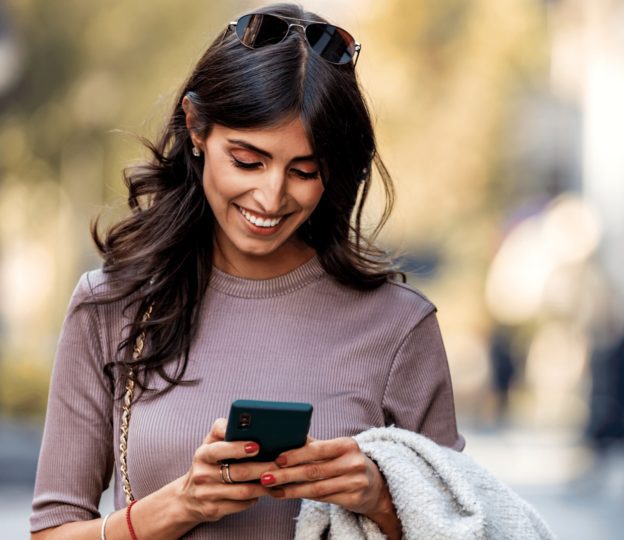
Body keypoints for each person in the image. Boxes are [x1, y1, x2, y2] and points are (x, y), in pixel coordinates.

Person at [29, 4, 463, 539]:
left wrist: (380, 499)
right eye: (247, 160)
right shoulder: (111, 306)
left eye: (305, 171)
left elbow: (461, 524)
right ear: (196, 128)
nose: (271, 196)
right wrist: (182, 504)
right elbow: (52, 532)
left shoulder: (399, 327)